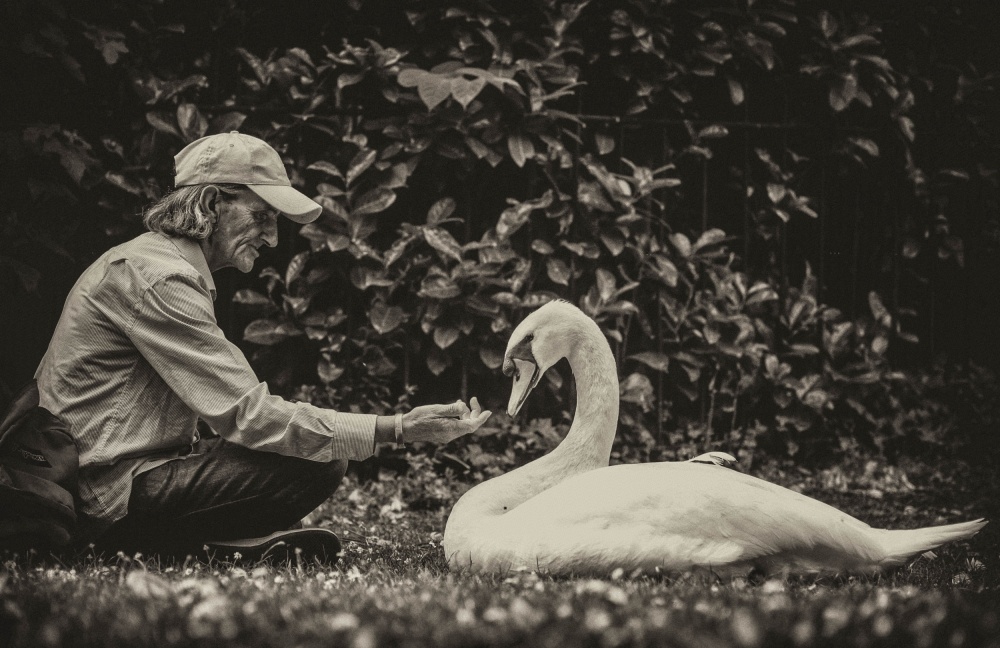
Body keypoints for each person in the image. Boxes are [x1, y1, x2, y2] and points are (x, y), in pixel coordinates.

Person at [29, 131, 491, 560]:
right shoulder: (159, 278)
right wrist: (398, 427)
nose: (272, 237)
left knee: (313, 451)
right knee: (317, 463)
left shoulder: (155, 265)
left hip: (118, 475)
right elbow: (250, 416)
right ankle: (182, 543)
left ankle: (215, 541)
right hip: (106, 496)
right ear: (210, 203)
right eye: (261, 217)